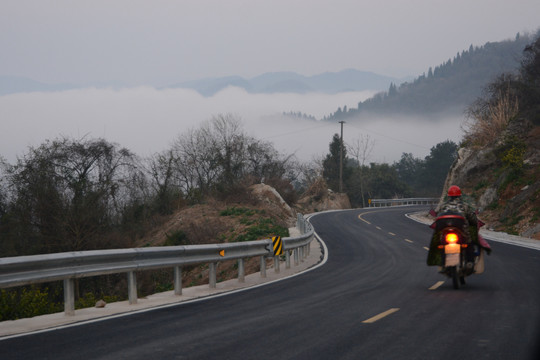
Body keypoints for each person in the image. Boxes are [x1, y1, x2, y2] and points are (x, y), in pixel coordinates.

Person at [427, 185, 490, 267]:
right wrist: (475, 224)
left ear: (448, 196)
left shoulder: (443, 205)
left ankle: (442, 261)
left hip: (444, 226)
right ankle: (470, 261)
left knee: (440, 241)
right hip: (460, 227)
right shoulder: (464, 205)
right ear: (460, 195)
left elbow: (437, 215)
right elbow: (472, 218)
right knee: (468, 241)